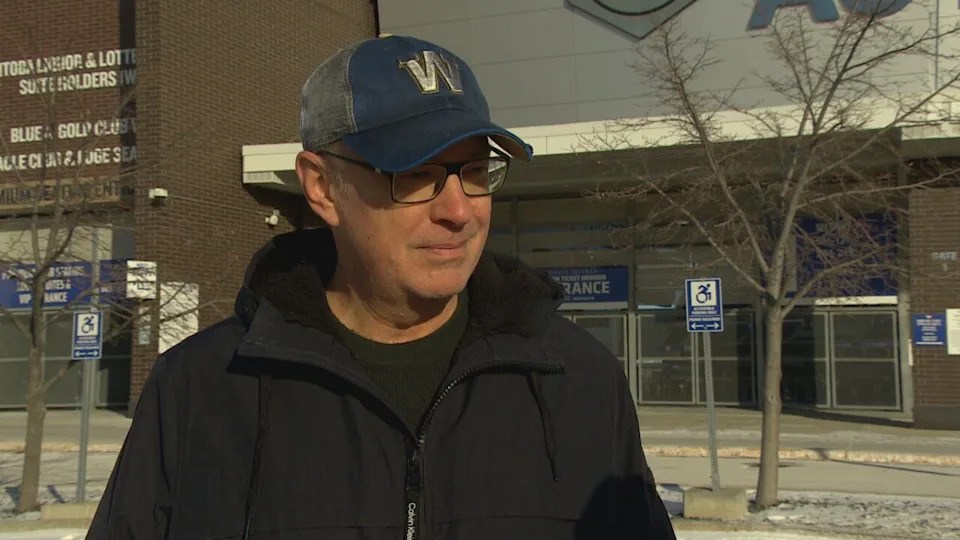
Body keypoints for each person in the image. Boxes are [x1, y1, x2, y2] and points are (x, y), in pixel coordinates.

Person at [89, 34, 676, 540]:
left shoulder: (582, 381)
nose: (459, 211)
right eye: (415, 174)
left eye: (475, 173)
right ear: (322, 187)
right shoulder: (199, 392)